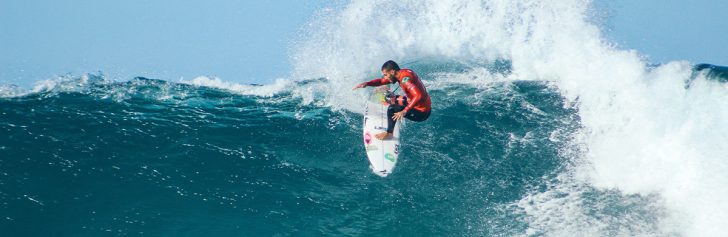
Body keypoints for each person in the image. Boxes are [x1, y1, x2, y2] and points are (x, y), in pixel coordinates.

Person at [352, 60, 432, 140]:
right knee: (389, 98)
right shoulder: (401, 73)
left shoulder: (405, 80)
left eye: (386, 75)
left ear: (392, 72)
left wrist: (405, 111)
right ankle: (395, 108)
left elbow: (418, 95)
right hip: (417, 103)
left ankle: (389, 133)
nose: (385, 77)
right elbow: (381, 81)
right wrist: (367, 83)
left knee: (392, 108)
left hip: (421, 113)